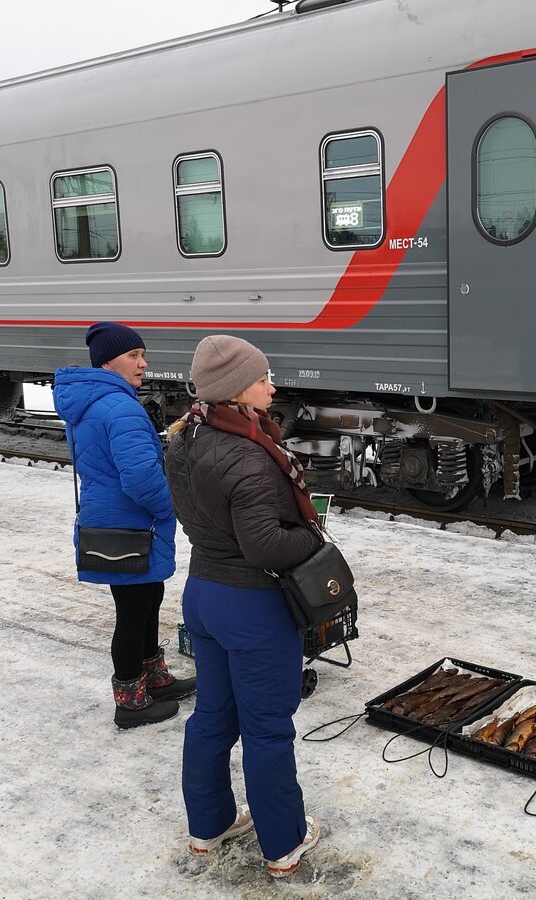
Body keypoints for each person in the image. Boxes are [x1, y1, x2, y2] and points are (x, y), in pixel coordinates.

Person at [165, 335, 323, 879]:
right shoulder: (249, 456)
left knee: (212, 715)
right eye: (263, 379)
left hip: (204, 593)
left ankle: (208, 825)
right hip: (252, 604)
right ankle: (284, 842)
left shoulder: (187, 438)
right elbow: (266, 546)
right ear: (236, 390)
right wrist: (312, 538)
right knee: (266, 728)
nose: (272, 386)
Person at [53, 322, 194, 729]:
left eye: (142, 355)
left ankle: (155, 679)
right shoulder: (119, 407)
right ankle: (130, 701)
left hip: (116, 517)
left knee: (147, 598)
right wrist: (172, 507)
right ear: (107, 362)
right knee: (133, 611)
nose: (143, 364)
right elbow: (140, 479)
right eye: (133, 356)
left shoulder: (99, 402)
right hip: (130, 521)